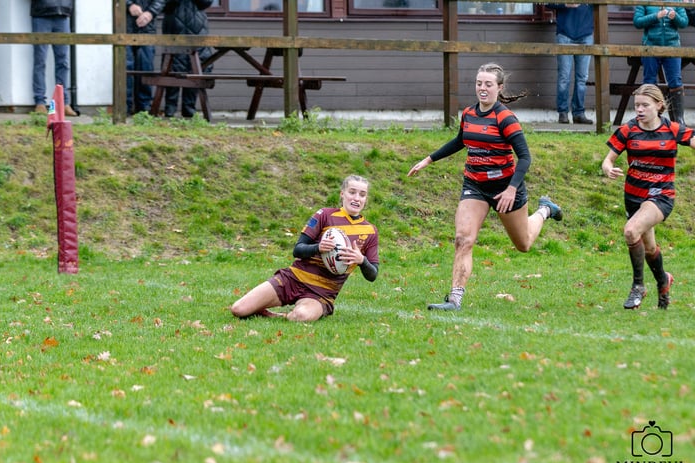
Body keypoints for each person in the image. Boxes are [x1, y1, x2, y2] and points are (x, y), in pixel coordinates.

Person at [407, 62, 563, 312]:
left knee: (523, 244)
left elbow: (525, 157)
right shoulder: (469, 113)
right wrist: (428, 160)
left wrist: (512, 189)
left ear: (499, 88)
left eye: (488, 84)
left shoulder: (505, 118)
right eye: (479, 83)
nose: (482, 88)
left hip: (505, 188)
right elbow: (460, 141)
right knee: (463, 239)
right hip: (475, 185)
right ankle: (454, 300)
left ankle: (545, 210)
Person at [230, 175, 380, 322]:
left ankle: (280, 316)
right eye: (352, 192)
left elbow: (372, 275)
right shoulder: (324, 215)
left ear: (365, 199)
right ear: (342, 194)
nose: (356, 198)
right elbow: (298, 250)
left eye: (362, 194)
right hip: (293, 278)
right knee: (238, 309)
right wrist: (318, 248)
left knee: (301, 316)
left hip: (322, 292)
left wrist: (362, 260)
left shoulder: (370, 231)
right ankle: (273, 307)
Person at [600, 84, 692, 310]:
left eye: (645, 105)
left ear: (659, 106)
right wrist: (607, 168)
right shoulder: (628, 130)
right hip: (633, 197)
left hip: (661, 195)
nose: (639, 109)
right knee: (649, 248)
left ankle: (638, 286)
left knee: (631, 231)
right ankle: (663, 281)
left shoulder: (673, 129)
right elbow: (608, 159)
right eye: (637, 105)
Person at [633, 4, 689, 124]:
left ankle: (679, 121)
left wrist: (675, 17)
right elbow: (637, 22)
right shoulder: (645, 1)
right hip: (650, 46)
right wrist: (656, 16)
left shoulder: (676, 1)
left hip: (672, 46)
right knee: (649, 81)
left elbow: (684, 22)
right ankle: (652, 119)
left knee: (675, 81)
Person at [162, 0, 213, 118]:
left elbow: (206, 2)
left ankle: (189, 108)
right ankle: (170, 108)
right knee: (172, 67)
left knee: (194, 67)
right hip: (173, 24)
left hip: (197, 25)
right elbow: (163, 4)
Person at [546, 3, 594, 125]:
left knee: (582, 78)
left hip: (586, 34)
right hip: (565, 33)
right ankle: (563, 112)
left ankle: (579, 113)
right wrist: (565, 4)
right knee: (564, 76)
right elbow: (548, 3)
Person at [30, 0, 77, 116]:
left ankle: (63, 103)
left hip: (63, 14)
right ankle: (40, 102)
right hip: (41, 13)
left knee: (63, 62)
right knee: (40, 60)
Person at [126, 0, 166, 115]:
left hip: (148, 28)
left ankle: (144, 108)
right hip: (124, 26)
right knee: (125, 68)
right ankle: (124, 107)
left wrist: (150, 13)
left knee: (146, 67)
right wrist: (129, 5)